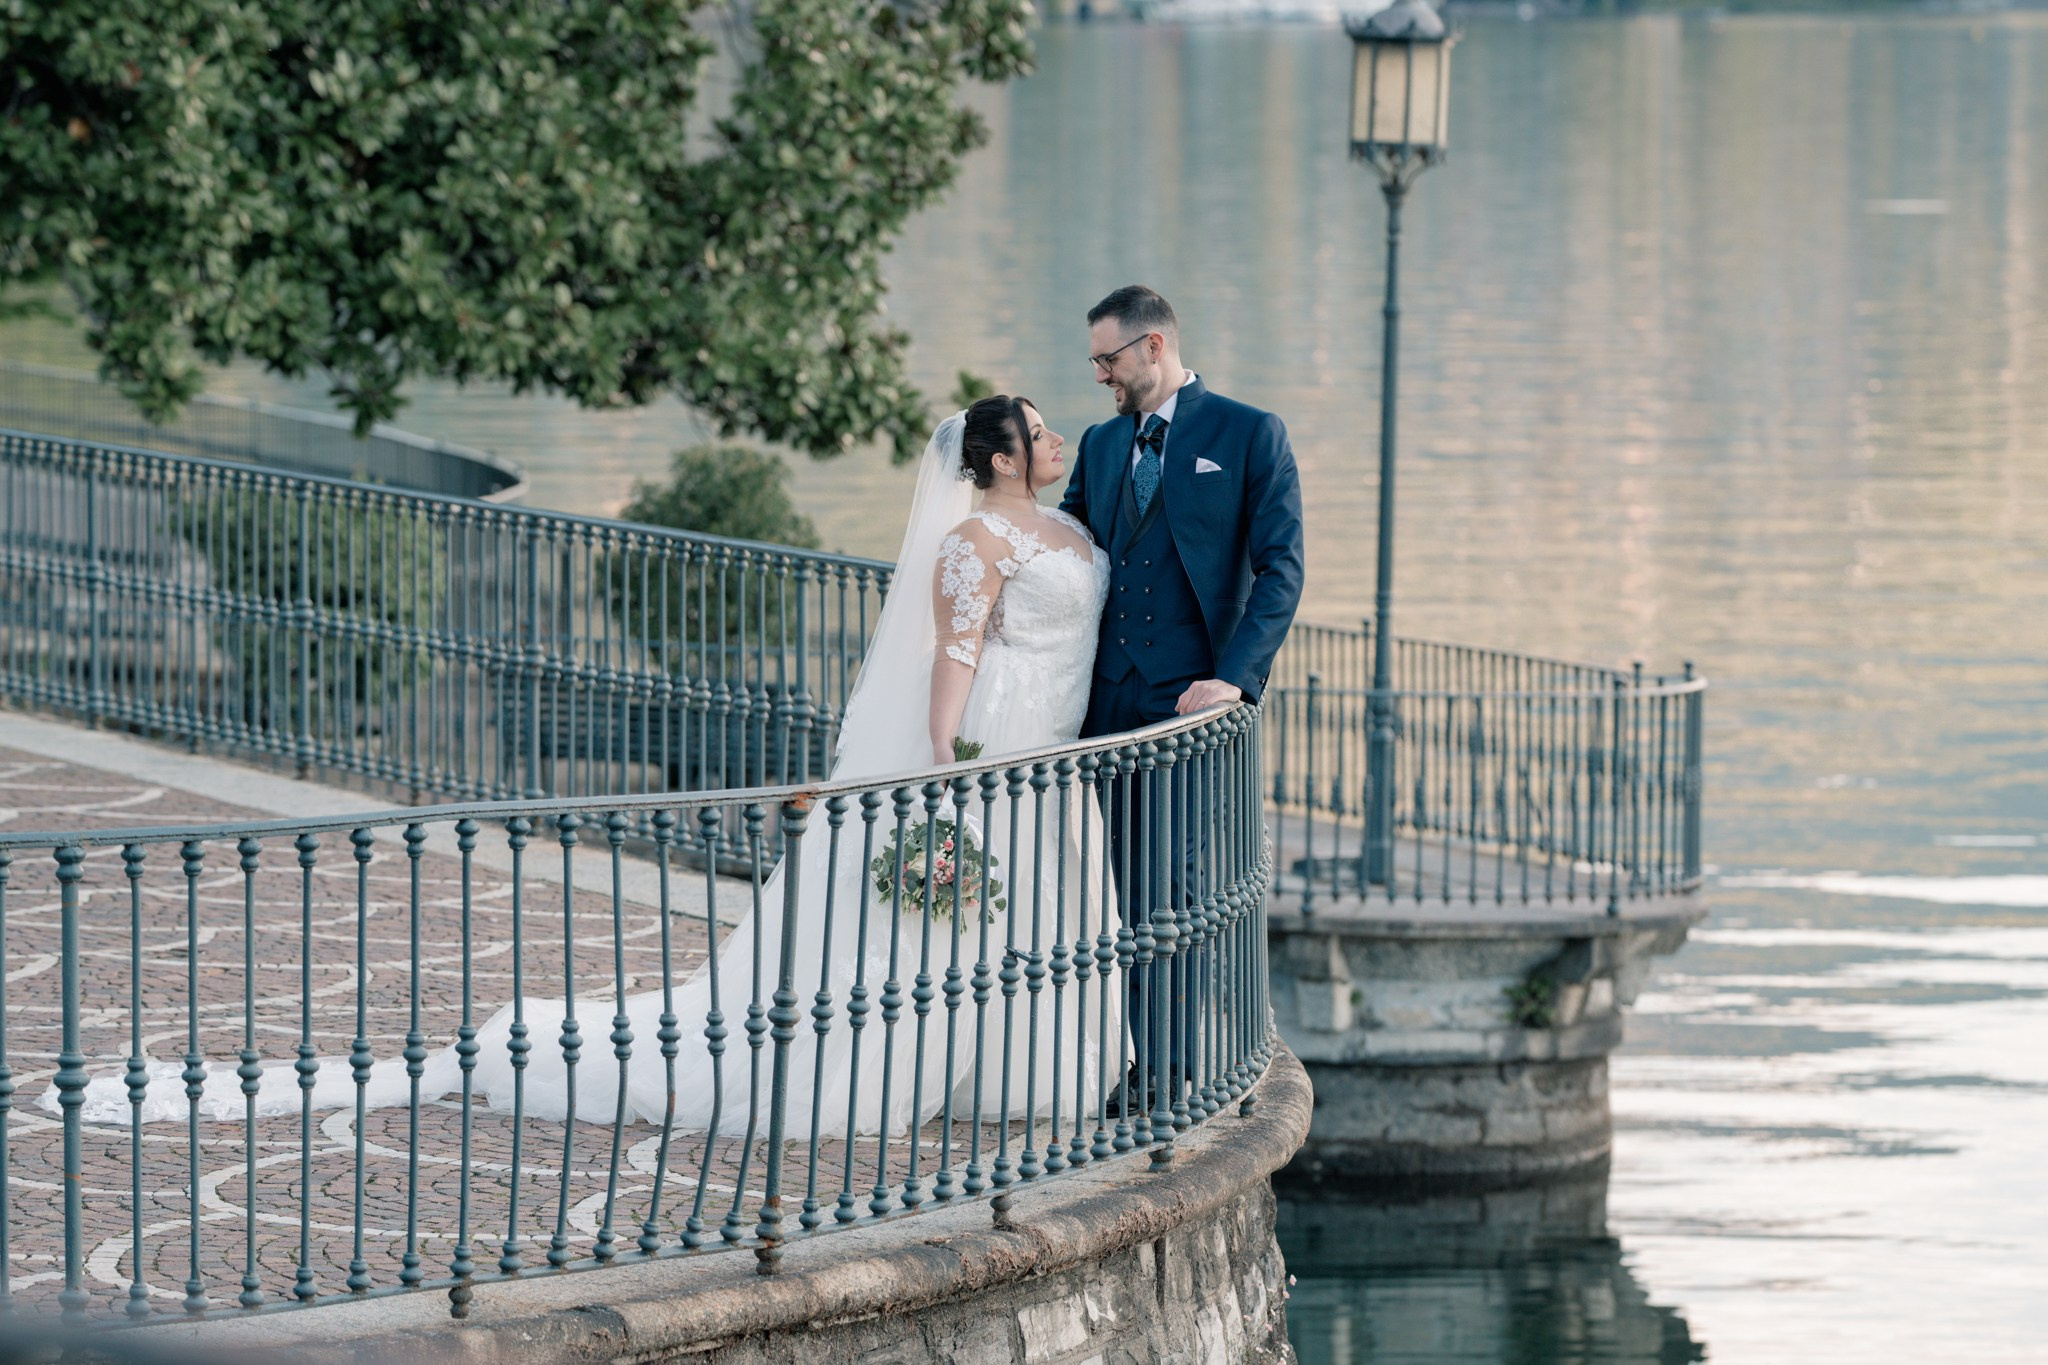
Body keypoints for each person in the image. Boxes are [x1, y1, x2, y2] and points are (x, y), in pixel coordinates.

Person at [58, 399, 1121, 1143]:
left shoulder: (1066, 527)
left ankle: (1008, 1071)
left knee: (1019, 925)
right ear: (993, 460)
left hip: (1052, 752)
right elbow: (954, 666)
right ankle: (913, 1069)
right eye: (1038, 432)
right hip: (990, 755)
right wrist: (948, 771)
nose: (1057, 439)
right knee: (946, 929)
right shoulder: (973, 546)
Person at [1060, 285, 1305, 1115]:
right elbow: (1069, 548)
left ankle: (1164, 1070)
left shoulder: (1247, 433)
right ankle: (1159, 1060)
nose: (1100, 374)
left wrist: (1235, 677)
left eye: (1109, 358)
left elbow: (1282, 570)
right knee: (1129, 888)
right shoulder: (1098, 446)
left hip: (1187, 712)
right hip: (1105, 707)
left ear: (1154, 346)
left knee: (1170, 886)